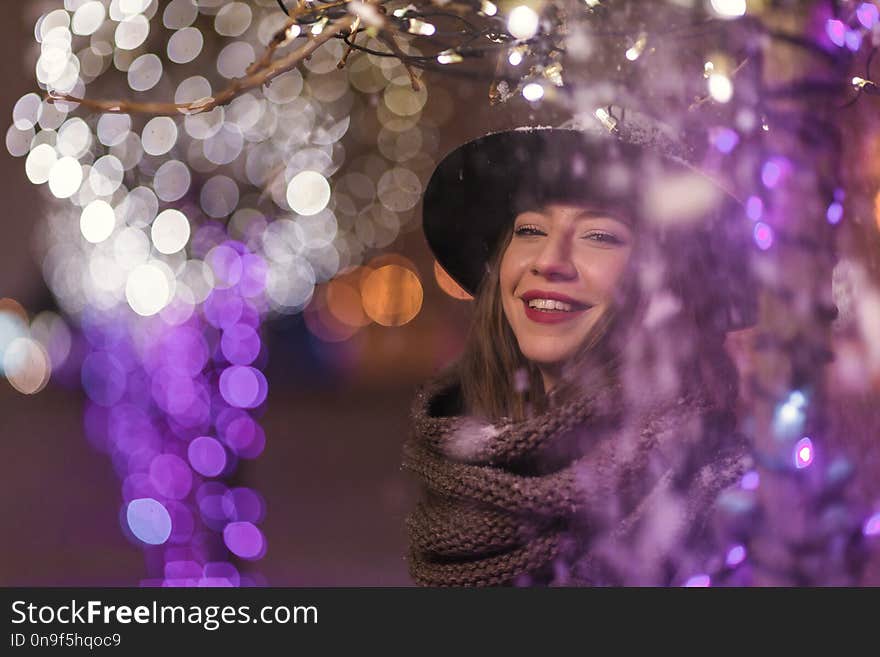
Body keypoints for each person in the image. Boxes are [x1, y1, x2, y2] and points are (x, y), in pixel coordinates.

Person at [402, 111, 760, 586]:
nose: (550, 261)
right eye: (530, 230)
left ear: (666, 282)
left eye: (600, 236)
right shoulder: (457, 483)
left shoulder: (732, 506)